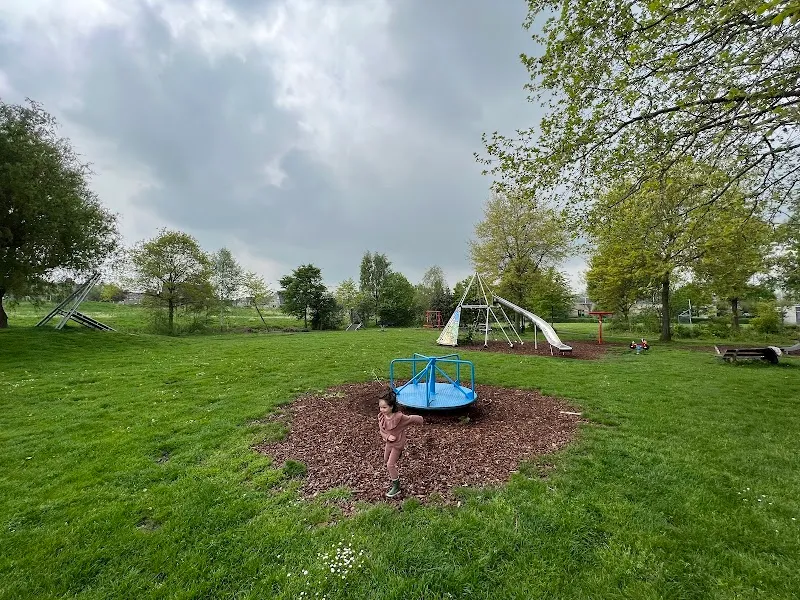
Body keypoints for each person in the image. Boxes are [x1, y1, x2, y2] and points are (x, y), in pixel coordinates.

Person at [377, 388, 424, 498]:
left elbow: (411, 419)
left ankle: (396, 487)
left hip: (398, 444)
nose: (382, 410)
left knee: (390, 465)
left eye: (384, 407)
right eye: (380, 407)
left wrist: (421, 420)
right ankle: (397, 455)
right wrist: (388, 436)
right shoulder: (382, 417)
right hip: (389, 443)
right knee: (385, 459)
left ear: (391, 406)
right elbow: (381, 431)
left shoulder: (400, 418)